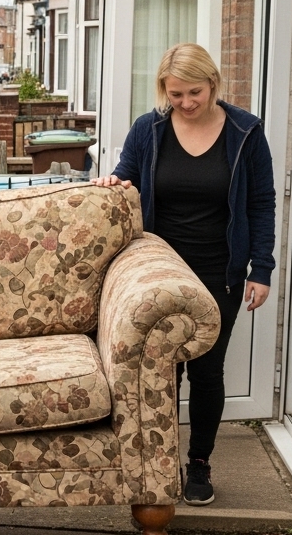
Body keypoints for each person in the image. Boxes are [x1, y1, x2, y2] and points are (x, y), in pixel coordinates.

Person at [93, 43, 275, 506]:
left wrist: (262, 268)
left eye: (194, 92)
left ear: (213, 83)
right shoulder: (149, 129)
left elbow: (261, 204)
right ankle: (161, 461)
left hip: (220, 271)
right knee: (161, 373)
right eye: (176, 94)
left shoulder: (245, 132)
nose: (186, 103)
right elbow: (126, 178)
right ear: (164, 90)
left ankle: (199, 463)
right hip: (159, 271)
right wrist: (113, 183)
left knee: (208, 371)